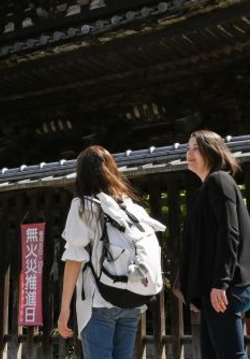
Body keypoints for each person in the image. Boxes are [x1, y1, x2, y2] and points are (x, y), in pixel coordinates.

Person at [56, 145, 150, 358]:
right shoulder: (131, 208)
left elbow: (74, 259)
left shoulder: (83, 206)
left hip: (98, 301)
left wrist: (64, 309)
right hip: (132, 301)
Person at [179, 130, 250, 359]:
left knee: (230, 355)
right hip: (213, 288)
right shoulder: (204, 188)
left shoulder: (219, 180)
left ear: (212, 151)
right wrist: (197, 292)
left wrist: (221, 282)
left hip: (225, 286)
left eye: (196, 148)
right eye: (188, 148)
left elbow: (229, 232)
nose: (189, 153)